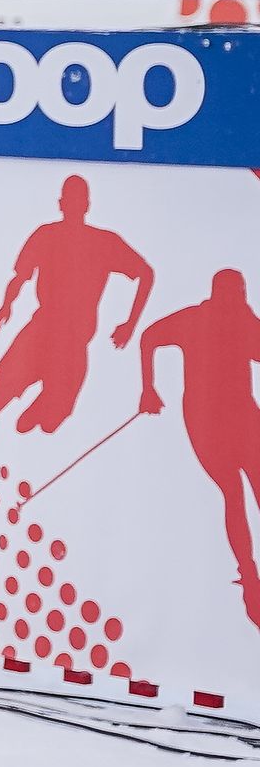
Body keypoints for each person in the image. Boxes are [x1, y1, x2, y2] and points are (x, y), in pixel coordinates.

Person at [0, 175, 153, 487]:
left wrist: (130, 324)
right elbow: (20, 276)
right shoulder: (46, 234)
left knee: (54, 420)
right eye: (69, 201)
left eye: (76, 201)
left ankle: (39, 409)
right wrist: (7, 305)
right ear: (63, 204)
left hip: (72, 343)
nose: (72, 207)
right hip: (39, 333)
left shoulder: (104, 242)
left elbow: (146, 273)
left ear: (84, 205)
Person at [138, 268, 260, 629]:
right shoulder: (200, 318)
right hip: (208, 420)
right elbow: (148, 338)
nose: (233, 299)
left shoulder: (237, 322)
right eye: (232, 292)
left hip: (239, 415)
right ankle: (248, 574)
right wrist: (148, 389)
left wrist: (149, 388)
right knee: (234, 493)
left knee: (242, 491)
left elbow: (148, 338)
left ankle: (248, 574)